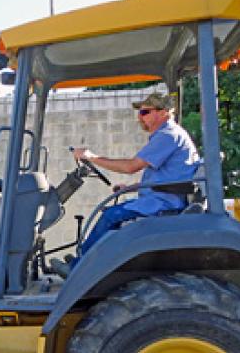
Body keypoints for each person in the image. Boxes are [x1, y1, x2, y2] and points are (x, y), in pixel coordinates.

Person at [52, 92, 200, 277]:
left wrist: (92, 157)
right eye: (139, 112)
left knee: (111, 216)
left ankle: (78, 270)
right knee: (111, 214)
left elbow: (131, 166)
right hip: (161, 196)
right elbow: (164, 176)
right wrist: (133, 187)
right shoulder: (167, 135)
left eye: (145, 112)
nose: (140, 117)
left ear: (163, 113)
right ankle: (83, 260)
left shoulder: (168, 135)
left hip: (165, 202)